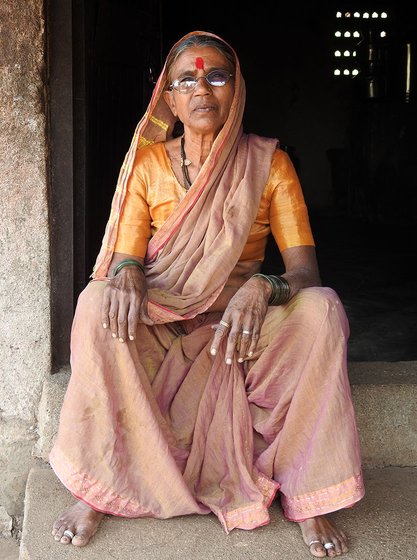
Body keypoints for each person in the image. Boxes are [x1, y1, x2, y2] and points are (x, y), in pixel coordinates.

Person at [50, 30, 365, 557]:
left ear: (236, 88)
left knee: (323, 310)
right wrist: (127, 270)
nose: (203, 89)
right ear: (168, 97)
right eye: (187, 79)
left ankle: (313, 495)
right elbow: (125, 255)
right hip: (166, 317)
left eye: (217, 76)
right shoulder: (149, 165)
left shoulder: (271, 165)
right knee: (95, 304)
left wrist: (264, 286)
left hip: (242, 331)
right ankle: (99, 485)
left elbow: (305, 272)